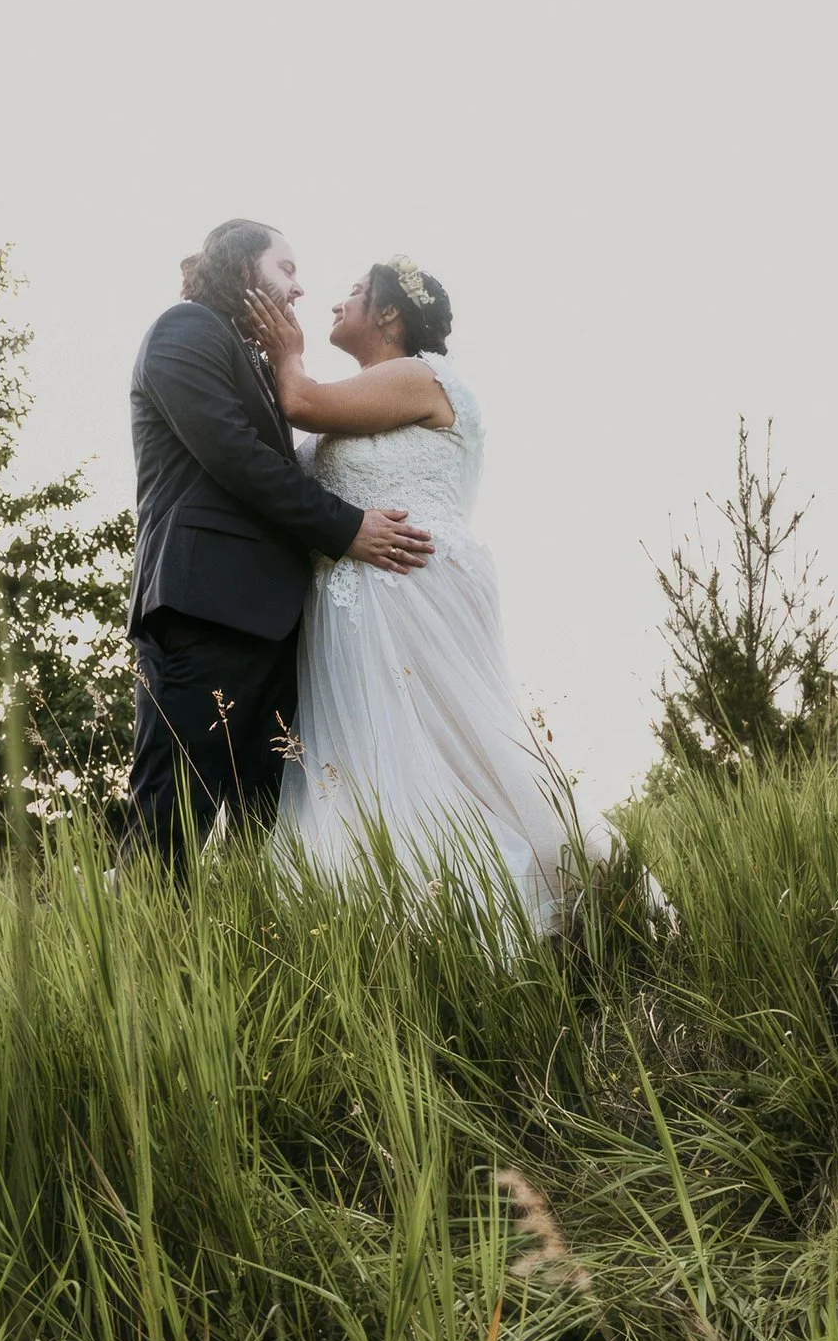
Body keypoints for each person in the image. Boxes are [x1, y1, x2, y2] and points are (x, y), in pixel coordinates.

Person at [254, 255, 612, 927]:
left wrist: (288, 350)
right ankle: (406, 918)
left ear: (390, 314)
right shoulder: (371, 392)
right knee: (375, 763)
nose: (337, 301)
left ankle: (551, 901)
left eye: (356, 293)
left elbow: (298, 401)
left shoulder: (419, 375)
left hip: (411, 588)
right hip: (351, 600)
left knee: (453, 747)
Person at [126, 220, 433, 870]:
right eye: (286, 269)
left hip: (275, 625)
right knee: (172, 815)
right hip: (205, 610)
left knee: (268, 829)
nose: (299, 288)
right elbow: (236, 458)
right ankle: (133, 956)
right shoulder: (185, 331)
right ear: (242, 268)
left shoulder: (254, 361)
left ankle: (239, 950)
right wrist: (349, 528)